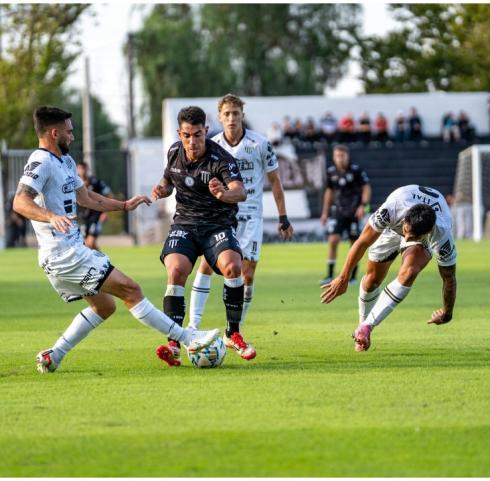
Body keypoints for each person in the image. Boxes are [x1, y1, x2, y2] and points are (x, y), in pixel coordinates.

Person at [13, 106, 219, 373]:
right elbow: (20, 201)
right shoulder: (40, 162)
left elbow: (86, 198)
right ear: (54, 133)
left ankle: (54, 354)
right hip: (63, 254)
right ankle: (189, 338)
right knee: (131, 290)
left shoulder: (65, 162)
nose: (73, 137)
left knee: (104, 306)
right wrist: (50, 216)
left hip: (68, 252)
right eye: (69, 132)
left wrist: (123, 205)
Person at [187, 94, 294, 360]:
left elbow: (275, 182)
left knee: (247, 273)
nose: (232, 118)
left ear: (242, 115)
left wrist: (283, 217)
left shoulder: (260, 144)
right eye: (227, 114)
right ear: (220, 117)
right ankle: (192, 326)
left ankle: (233, 330)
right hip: (221, 215)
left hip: (251, 217)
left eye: (236, 113)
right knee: (207, 265)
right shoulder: (211, 145)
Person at [151, 105, 253, 365]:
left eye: (198, 135)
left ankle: (234, 334)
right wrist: (162, 190)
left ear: (206, 131)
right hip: (184, 224)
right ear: (179, 133)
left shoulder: (221, 159)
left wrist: (222, 194)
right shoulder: (174, 152)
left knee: (233, 267)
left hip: (216, 225)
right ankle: (174, 341)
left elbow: (240, 192)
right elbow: (167, 181)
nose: (193, 141)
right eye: (187, 135)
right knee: (175, 271)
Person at [320, 184, 457, 352]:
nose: (406, 238)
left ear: (428, 232)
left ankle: (366, 328)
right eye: (406, 232)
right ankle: (362, 324)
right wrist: (343, 277)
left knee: (409, 272)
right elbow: (362, 242)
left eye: (411, 237)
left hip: (420, 241)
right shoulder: (391, 209)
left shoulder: (441, 234)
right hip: (392, 229)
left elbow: (449, 276)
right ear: (406, 220)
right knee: (371, 281)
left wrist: (447, 313)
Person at [320, 144, 371, 284]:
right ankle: (330, 274)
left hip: (355, 211)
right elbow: (329, 192)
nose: (339, 158)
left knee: (354, 243)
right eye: (337, 156)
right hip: (339, 211)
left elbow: (366, 188)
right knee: (333, 240)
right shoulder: (331, 172)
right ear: (333, 157)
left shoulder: (356, 171)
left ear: (347, 156)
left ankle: (352, 276)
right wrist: (325, 212)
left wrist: (363, 206)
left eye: (342, 155)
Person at [75, 161, 112, 250]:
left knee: (90, 243)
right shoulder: (75, 182)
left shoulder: (95, 181)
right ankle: (103, 260)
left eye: (83, 168)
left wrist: (106, 212)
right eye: (79, 169)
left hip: (96, 216)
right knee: (88, 245)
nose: (82, 171)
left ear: (87, 169)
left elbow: (109, 195)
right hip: (82, 218)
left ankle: (101, 261)